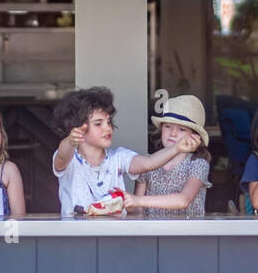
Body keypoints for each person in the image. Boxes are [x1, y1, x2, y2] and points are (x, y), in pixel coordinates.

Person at [51, 87, 188, 215]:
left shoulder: (119, 157)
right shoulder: (70, 159)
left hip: (114, 235)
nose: (108, 128)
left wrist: (176, 148)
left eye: (109, 122)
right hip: (77, 236)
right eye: (99, 124)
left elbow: (148, 163)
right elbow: (62, 156)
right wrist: (70, 141)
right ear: (76, 127)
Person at [125, 94, 213, 218]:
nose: (173, 133)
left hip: (188, 233)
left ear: (195, 136)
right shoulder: (148, 162)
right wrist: (126, 202)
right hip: (154, 232)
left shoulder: (198, 164)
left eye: (182, 129)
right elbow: (138, 209)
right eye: (167, 126)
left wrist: (137, 200)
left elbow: (184, 200)